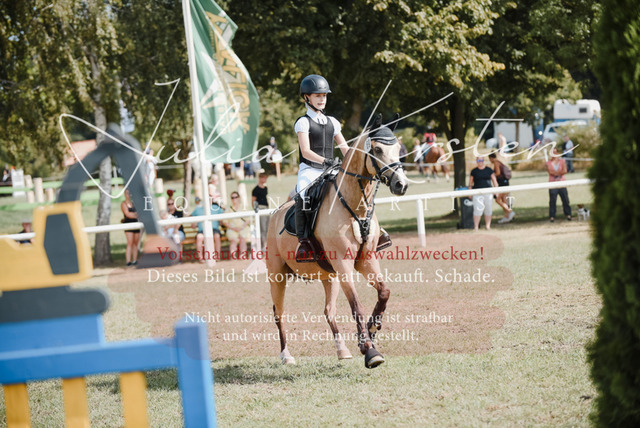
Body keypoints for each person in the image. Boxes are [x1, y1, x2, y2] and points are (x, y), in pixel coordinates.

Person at [294, 74, 349, 261]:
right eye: (317, 96)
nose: (322, 99)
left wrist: (356, 159)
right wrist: (325, 161)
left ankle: (370, 230)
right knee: (303, 194)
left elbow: (344, 148)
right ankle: (304, 241)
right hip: (310, 170)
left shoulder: (333, 122)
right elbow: (306, 151)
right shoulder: (303, 122)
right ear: (306, 97)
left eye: (324, 95)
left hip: (331, 168)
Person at [468, 157, 498, 231]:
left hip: (488, 192)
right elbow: (470, 183)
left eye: (481, 160)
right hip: (477, 193)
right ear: (476, 161)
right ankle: (476, 227)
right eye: (478, 160)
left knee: (488, 209)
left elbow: (494, 181)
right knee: (477, 209)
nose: (480, 162)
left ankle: (488, 226)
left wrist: (496, 191)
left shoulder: (489, 170)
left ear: (483, 161)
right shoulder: (474, 171)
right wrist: (470, 193)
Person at [191, 194, 224, 262]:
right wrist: (194, 223)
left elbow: (222, 219)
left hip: (214, 230)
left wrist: (221, 221)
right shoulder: (198, 210)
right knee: (199, 237)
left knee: (217, 236)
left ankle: (217, 257)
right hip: (202, 230)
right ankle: (201, 258)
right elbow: (192, 221)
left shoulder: (216, 208)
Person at [222, 191, 251, 259]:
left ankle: (243, 255)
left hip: (243, 228)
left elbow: (248, 219)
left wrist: (242, 227)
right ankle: (233, 256)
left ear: (239, 198)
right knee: (233, 240)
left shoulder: (243, 208)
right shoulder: (228, 209)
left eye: (236, 197)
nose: (234, 199)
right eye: (232, 197)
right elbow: (225, 221)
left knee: (242, 238)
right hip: (232, 229)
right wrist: (233, 228)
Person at [488, 153, 515, 223]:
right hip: (504, 183)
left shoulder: (496, 163)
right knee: (504, 201)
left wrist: (491, 176)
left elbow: (498, 173)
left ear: (491, 158)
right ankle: (507, 217)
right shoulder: (499, 162)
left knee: (498, 200)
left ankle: (510, 212)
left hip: (503, 184)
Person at [546, 147, 572, 222]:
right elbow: (550, 172)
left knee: (565, 199)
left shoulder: (562, 161)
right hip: (552, 183)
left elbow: (565, 170)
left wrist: (556, 173)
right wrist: (559, 173)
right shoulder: (548, 163)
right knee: (552, 201)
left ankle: (568, 214)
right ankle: (552, 216)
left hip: (562, 183)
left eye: (555, 152)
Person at [252, 171, 270, 253]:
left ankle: (268, 244)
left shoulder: (265, 188)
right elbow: (253, 201)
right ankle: (264, 245)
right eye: (264, 177)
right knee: (263, 228)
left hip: (266, 208)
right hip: (260, 208)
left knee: (267, 227)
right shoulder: (255, 189)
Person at [121, 189, 140, 266]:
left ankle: (135, 260)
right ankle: (128, 261)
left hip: (136, 224)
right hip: (128, 224)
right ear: (125, 194)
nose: (129, 194)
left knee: (135, 243)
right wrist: (136, 215)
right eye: (127, 193)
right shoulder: (123, 204)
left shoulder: (134, 203)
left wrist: (135, 215)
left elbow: (139, 212)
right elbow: (127, 214)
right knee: (130, 243)